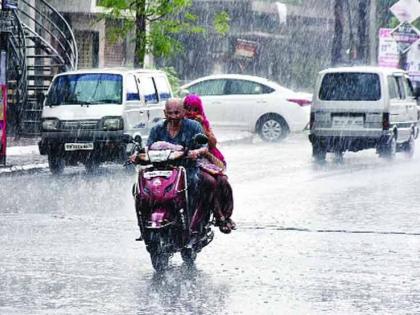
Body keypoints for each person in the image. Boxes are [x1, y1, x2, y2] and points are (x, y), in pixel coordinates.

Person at [132, 98, 216, 239]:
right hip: (160, 171)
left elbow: (204, 147)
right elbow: (147, 148)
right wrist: (136, 155)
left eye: (177, 112)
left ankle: (192, 223)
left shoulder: (194, 126)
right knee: (139, 190)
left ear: (184, 112)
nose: (173, 116)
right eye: (170, 113)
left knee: (194, 185)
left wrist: (196, 152)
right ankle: (143, 225)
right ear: (164, 113)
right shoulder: (157, 128)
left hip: (186, 169)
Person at [183, 94, 236, 234]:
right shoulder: (182, 123)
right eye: (188, 109)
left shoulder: (203, 123)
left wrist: (203, 127)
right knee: (210, 182)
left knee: (223, 180)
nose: (192, 113)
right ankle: (218, 215)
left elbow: (212, 143)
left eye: (195, 109)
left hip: (207, 158)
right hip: (191, 160)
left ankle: (226, 216)